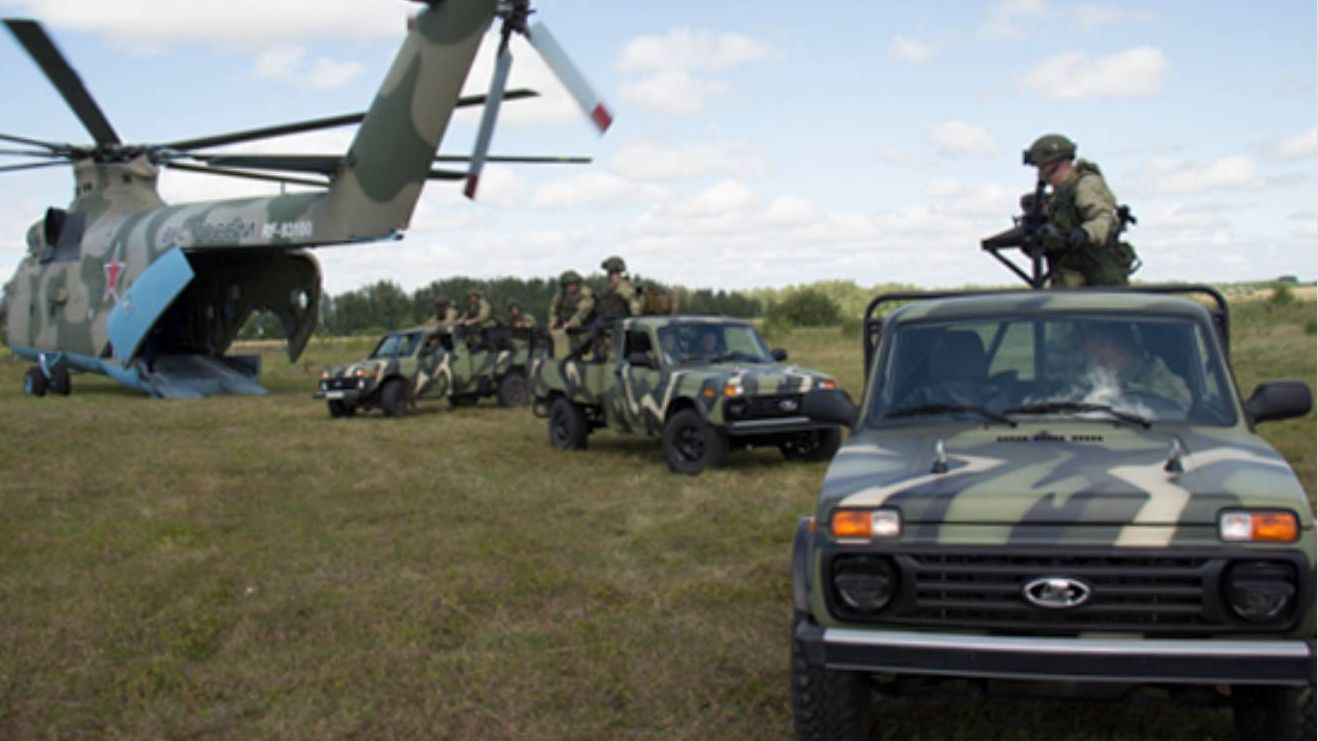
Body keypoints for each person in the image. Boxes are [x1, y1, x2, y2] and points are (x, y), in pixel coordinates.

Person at [1024, 133, 1137, 288]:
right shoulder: (1056, 198)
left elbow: (1104, 219)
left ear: (1057, 164)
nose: (1040, 174)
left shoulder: (1085, 185)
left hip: (1098, 279)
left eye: (1042, 167)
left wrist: (1085, 232)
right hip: (1068, 282)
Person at [1080, 323, 1190, 410]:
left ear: (1121, 346)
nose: (1091, 351)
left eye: (1100, 344)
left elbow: (1178, 414)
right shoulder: (1093, 380)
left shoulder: (1161, 382)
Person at [548, 270, 597, 352]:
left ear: (577, 284)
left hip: (586, 328)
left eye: (573, 284)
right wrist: (553, 320)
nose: (570, 287)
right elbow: (553, 310)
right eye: (568, 285)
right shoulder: (560, 296)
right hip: (568, 330)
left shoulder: (585, 294)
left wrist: (571, 323)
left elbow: (583, 311)